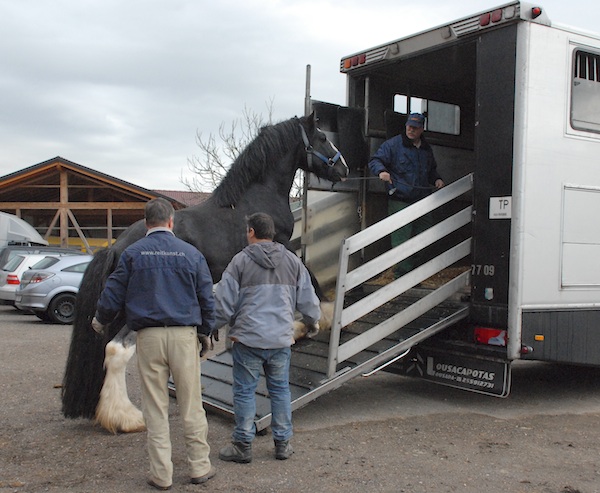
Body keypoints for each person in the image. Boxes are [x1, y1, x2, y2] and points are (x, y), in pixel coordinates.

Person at [91, 197, 216, 491]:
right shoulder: (191, 254)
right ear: (171, 221)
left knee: (156, 409)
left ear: (146, 223)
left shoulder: (133, 254)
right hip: (184, 337)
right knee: (191, 406)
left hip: (148, 338)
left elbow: (113, 293)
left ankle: (162, 475)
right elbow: (206, 297)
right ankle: (200, 466)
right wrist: (206, 331)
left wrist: (100, 319)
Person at [214, 212, 321, 463]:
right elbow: (307, 298)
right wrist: (312, 320)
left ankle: (242, 445)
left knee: (244, 392)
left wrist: (209, 325)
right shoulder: (293, 262)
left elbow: (223, 303)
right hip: (280, 340)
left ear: (251, 232)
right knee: (280, 390)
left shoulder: (240, 262)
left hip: (248, 339)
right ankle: (282, 444)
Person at [368, 112, 445, 278]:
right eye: (409, 126)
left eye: (415, 127)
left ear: (422, 129)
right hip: (400, 199)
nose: (411, 129)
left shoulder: (426, 149)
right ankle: (403, 276)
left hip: (422, 200)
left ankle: (412, 271)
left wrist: (437, 179)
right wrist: (381, 171)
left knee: (427, 236)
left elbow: (431, 170)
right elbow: (375, 160)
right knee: (401, 241)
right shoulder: (393, 145)